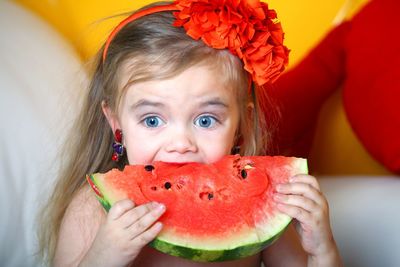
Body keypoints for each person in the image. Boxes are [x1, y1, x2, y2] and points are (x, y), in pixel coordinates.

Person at [39, 1, 342, 266]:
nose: (181, 144)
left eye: (206, 120)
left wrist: (321, 250)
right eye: (153, 120)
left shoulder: (260, 204)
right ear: (116, 122)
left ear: (242, 124)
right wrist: (103, 256)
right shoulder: (92, 207)